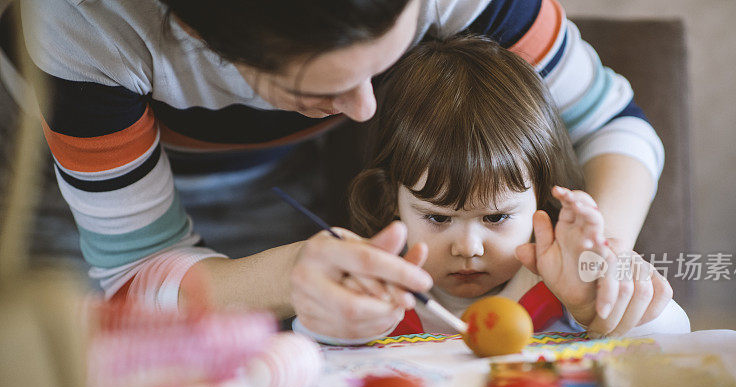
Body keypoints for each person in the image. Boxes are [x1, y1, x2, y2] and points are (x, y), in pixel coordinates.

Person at [4, 0, 665, 333]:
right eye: (318, 93)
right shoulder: (83, 23)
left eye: (385, 62)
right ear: (203, 43)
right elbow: (133, 273)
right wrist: (291, 274)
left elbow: (614, 124)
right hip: (52, 192)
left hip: (277, 180)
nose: (364, 109)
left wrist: (597, 262)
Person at [293, 36, 688, 343]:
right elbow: (308, 344)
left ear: (543, 199)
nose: (468, 247)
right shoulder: (378, 297)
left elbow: (672, 336)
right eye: (437, 217)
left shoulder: (564, 290)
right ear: (392, 200)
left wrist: (597, 308)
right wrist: (339, 322)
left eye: (496, 217)